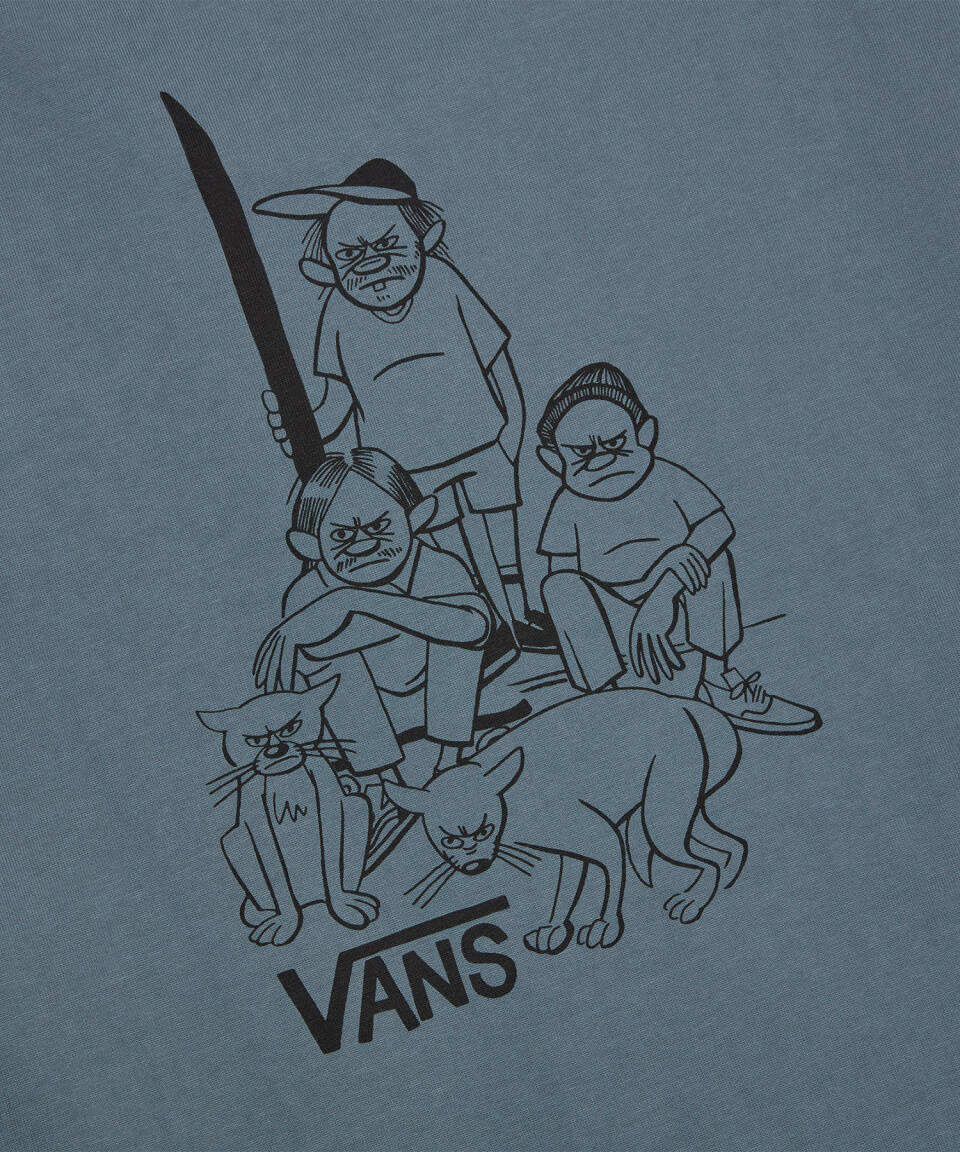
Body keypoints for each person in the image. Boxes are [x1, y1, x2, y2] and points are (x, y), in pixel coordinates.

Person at [252, 158, 554, 660]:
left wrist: (513, 430)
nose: (371, 264)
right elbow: (338, 401)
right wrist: (300, 429)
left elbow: (496, 360)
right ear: (325, 268)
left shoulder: (446, 282)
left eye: (387, 245)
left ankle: (520, 614)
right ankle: (487, 628)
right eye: (351, 255)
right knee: (442, 548)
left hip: (485, 443)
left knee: (501, 536)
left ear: (423, 240)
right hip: (405, 469)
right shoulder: (337, 314)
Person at [535, 363, 820, 734]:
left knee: (710, 559)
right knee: (559, 588)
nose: (602, 461)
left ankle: (719, 682)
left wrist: (663, 589)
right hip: (613, 616)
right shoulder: (566, 506)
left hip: (679, 600)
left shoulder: (667, 478)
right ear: (553, 460)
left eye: (616, 443)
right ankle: (610, 700)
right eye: (582, 453)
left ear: (645, 434)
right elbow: (561, 575)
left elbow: (719, 526)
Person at [253, 448, 496, 790]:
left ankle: (448, 761)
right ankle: (381, 782)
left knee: (456, 633)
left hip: (436, 690)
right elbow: (317, 650)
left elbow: (474, 626)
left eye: (379, 526)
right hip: (364, 709)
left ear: (417, 518)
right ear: (310, 545)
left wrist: (355, 601)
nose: (363, 545)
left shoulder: (436, 564)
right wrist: (401, 615)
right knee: (331, 662)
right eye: (341, 536)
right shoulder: (308, 590)